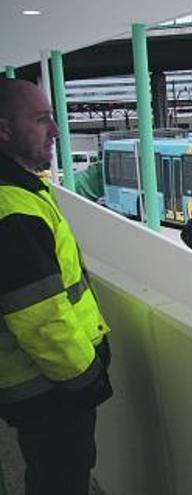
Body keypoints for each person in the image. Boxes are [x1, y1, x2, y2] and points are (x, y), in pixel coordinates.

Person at [0, 79, 113, 495]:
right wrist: (87, 377)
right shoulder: (13, 209)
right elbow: (40, 317)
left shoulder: (23, 191)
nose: (55, 130)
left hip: (41, 388)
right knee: (60, 479)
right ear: (4, 130)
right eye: (41, 119)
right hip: (51, 390)